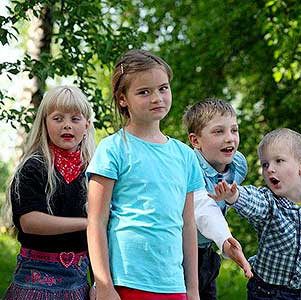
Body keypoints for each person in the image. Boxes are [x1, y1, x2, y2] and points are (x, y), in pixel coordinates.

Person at [86, 49, 203, 300]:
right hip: (125, 282)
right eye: (144, 92)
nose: (157, 98)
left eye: (163, 88)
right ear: (122, 99)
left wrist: (192, 289)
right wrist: (104, 285)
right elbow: (96, 221)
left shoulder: (185, 156)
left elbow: (188, 225)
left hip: (173, 286)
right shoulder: (112, 149)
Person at [210, 128, 301, 300]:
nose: (270, 169)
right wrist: (233, 195)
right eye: (265, 164)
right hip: (266, 293)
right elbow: (252, 201)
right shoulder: (268, 202)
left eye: (279, 161)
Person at [2, 86, 96, 300]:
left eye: (75, 119)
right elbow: (30, 222)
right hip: (34, 283)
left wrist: (99, 283)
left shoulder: (94, 172)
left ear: (86, 125)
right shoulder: (34, 167)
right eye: (57, 118)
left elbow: (99, 240)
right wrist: (89, 223)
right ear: (45, 123)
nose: (67, 125)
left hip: (79, 283)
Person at [183, 98, 252, 300]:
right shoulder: (189, 166)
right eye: (218, 132)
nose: (230, 138)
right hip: (181, 253)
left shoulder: (238, 164)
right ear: (195, 141)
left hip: (208, 252)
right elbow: (201, 208)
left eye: (234, 130)